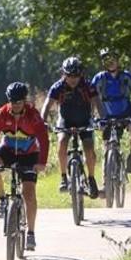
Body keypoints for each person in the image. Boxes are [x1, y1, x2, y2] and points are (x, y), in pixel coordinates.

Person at [0, 81, 49, 251]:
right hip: (7, 150)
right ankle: (2, 199)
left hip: (29, 154)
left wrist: (42, 162)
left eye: (19, 102)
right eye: (12, 102)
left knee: (29, 193)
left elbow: (43, 139)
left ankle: (31, 233)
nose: (15, 105)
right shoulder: (1, 114)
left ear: (24, 101)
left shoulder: (33, 115)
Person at [40, 56, 105, 198]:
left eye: (76, 75)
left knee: (89, 147)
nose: (73, 79)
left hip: (84, 120)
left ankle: (91, 178)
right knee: (62, 141)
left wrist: (103, 119)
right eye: (69, 75)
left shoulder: (88, 86)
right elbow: (46, 106)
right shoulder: (58, 87)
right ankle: (64, 177)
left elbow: (98, 102)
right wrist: (42, 122)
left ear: (81, 74)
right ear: (64, 74)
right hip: (66, 121)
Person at [90, 48, 131, 174]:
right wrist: (92, 116)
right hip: (107, 117)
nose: (110, 62)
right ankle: (106, 179)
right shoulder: (99, 78)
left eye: (113, 58)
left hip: (126, 114)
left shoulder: (126, 77)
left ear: (118, 60)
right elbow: (91, 98)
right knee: (107, 146)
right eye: (106, 59)